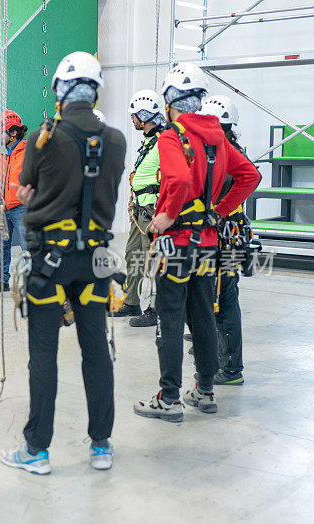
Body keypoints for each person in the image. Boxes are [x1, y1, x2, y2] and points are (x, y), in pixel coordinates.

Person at [0, 51, 126, 474]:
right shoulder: (117, 140)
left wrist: (43, 198)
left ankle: (37, 451)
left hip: (49, 262)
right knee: (96, 351)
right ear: (95, 91)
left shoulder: (44, 138)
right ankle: (101, 445)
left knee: (44, 354)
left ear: (60, 92)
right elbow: (103, 188)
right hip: (94, 261)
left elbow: (26, 191)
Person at [133, 64, 260, 422]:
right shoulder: (217, 138)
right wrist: (219, 211)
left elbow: (174, 180)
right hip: (206, 244)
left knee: (170, 318)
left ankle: (169, 397)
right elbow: (250, 176)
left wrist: (167, 215)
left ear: (171, 100)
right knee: (203, 314)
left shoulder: (173, 137)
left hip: (175, 244)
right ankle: (205, 389)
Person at [198, 94, 253, 385]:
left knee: (223, 299)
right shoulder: (232, 149)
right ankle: (222, 356)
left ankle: (231, 367)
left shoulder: (221, 153)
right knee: (221, 297)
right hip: (231, 236)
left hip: (224, 239)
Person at [115, 90, 166, 327]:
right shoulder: (149, 141)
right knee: (133, 254)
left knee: (154, 261)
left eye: (135, 115)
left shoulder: (164, 141)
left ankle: (154, 309)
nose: (133, 119)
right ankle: (132, 301)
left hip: (152, 210)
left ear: (146, 115)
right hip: (140, 210)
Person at [0, 110, 28, 293]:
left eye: (0, 130)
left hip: (23, 209)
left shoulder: (29, 152)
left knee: (28, 248)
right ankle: (1, 281)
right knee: (2, 248)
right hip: (2, 208)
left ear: (13, 133)